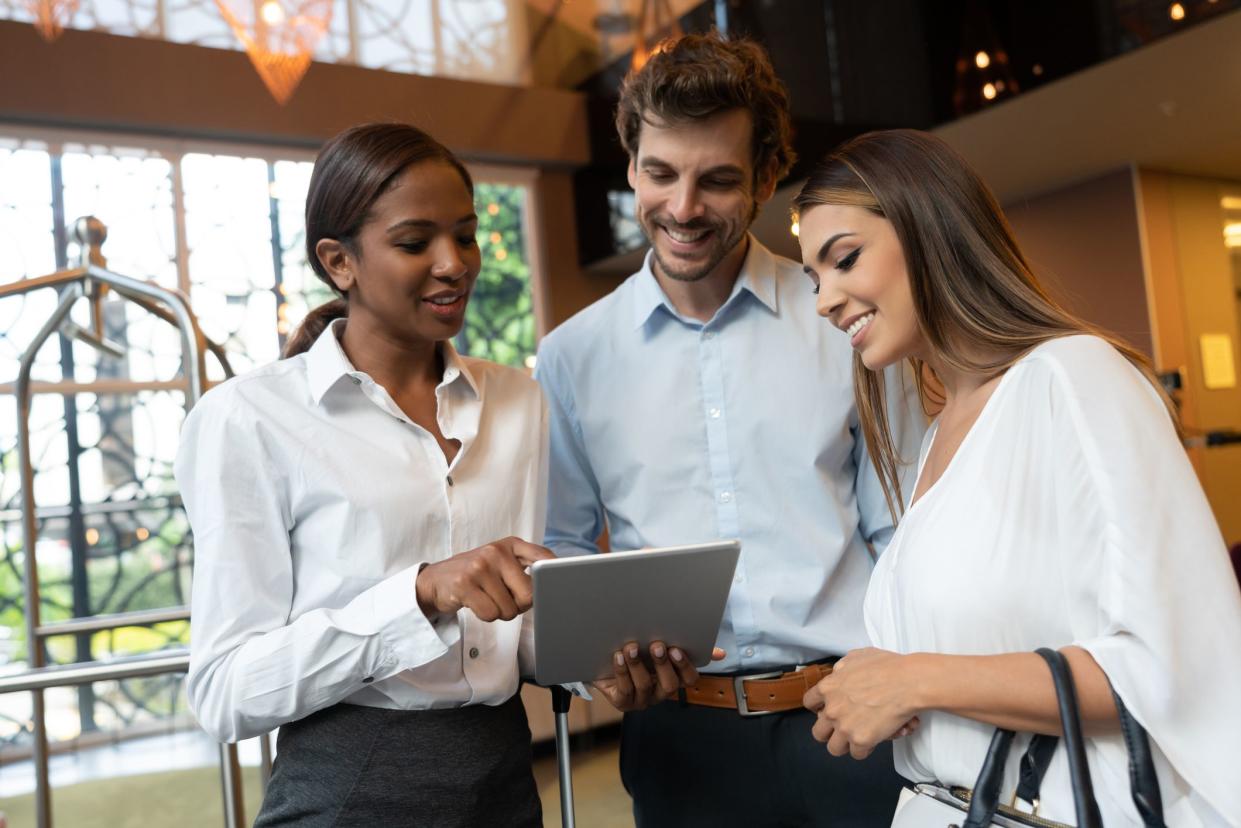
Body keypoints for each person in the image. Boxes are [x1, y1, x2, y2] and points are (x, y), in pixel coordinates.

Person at [534, 33, 924, 827]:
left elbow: (903, 536)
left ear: (766, 179)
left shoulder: (845, 322)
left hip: (851, 725)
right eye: (659, 174)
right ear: (630, 161)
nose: (680, 208)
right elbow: (564, 556)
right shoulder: (571, 356)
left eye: (715, 180)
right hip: (678, 748)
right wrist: (598, 672)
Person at [796, 129, 1241, 826]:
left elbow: (1174, 667)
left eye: (843, 259)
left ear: (927, 228)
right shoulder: (942, 429)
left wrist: (913, 681)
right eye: (812, 278)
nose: (824, 299)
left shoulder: (1073, 377)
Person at [175, 123, 554, 827]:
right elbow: (225, 693)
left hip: (503, 774)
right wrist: (420, 593)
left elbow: (519, 634)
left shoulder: (518, 401)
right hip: (349, 787)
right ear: (338, 261)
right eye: (415, 243)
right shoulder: (247, 418)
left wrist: (606, 652)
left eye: (465, 236)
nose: (454, 264)